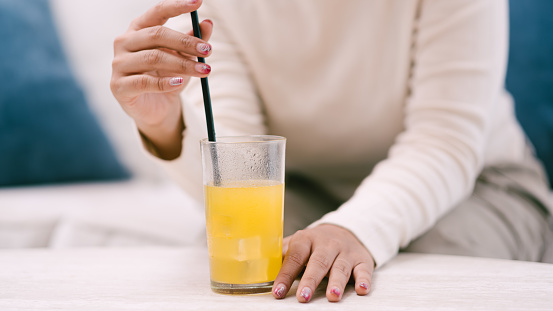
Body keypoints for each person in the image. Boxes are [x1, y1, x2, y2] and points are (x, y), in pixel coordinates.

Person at [110, 0, 553, 303]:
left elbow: (446, 142)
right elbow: (239, 172)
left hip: (481, 185)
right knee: (239, 278)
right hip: (302, 191)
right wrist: (163, 124)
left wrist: (352, 228)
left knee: (410, 281)